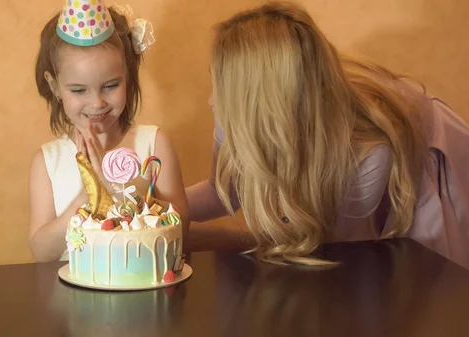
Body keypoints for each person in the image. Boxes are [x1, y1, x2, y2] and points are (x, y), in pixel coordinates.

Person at [186, 1, 469, 268]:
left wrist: (216, 240)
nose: (211, 100)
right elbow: (222, 190)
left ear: (262, 104)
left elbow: (334, 253)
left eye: (221, 89)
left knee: (418, 280)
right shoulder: (236, 115)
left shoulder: (368, 157)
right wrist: (161, 208)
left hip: (420, 154)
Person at [29, 2, 189, 262]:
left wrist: (120, 187)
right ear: (54, 86)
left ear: (127, 75)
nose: (97, 103)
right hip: (72, 298)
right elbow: (41, 252)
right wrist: (89, 194)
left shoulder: (154, 145)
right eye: (79, 90)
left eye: (111, 85)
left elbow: (182, 230)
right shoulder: (47, 161)